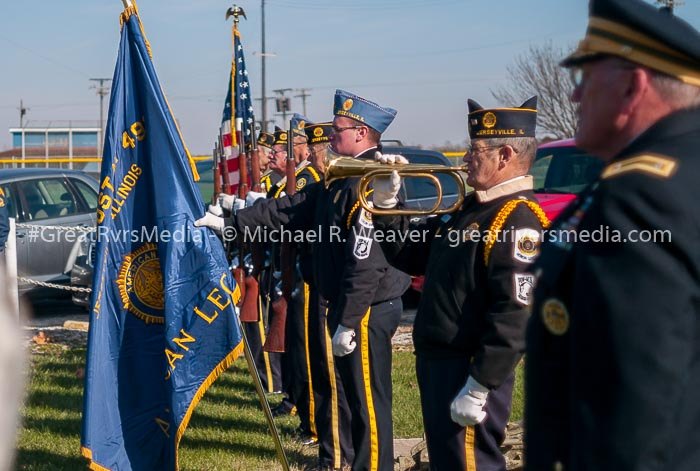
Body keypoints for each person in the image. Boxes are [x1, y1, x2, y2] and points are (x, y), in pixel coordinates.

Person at [525, 1, 700, 470]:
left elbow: (634, 401)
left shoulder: (639, 197)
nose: (575, 98)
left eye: (585, 79)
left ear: (631, 84)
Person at [196, 89, 411, 471]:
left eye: (338, 128)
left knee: (367, 405)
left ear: (362, 133)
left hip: (366, 306)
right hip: (349, 304)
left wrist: (349, 317)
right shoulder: (343, 173)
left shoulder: (374, 176)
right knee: (351, 397)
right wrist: (231, 224)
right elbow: (290, 209)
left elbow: (369, 259)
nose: (330, 135)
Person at [372, 97, 547, 470]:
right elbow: (408, 254)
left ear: (504, 155)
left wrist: (481, 384)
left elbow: (516, 315)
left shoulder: (516, 219)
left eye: (475, 150)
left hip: (467, 370)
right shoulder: (472, 208)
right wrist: (387, 203)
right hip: (442, 363)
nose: (465, 159)